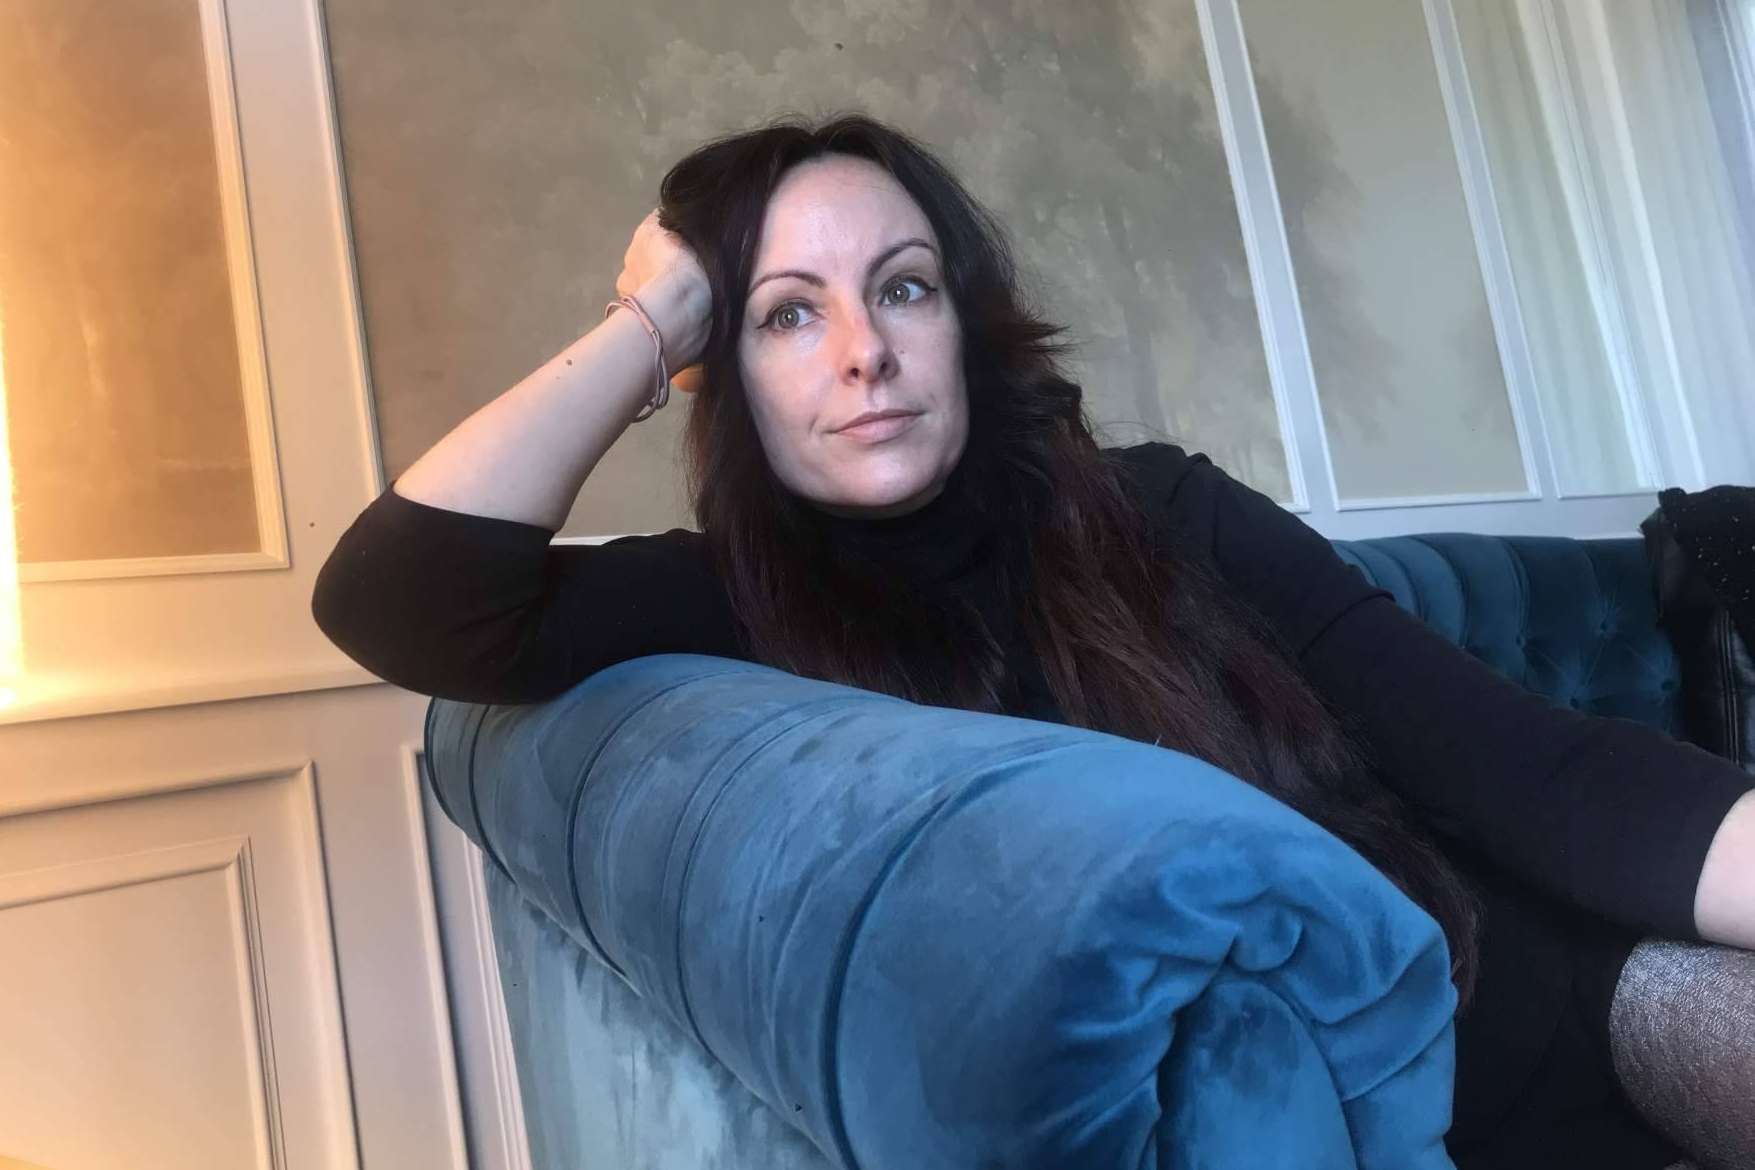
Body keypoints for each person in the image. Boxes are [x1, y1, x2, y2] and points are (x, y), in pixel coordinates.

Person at [312, 112, 1753, 1169]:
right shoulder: (729, 603)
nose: (863, 349)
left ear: (964, 324)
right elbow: (399, 595)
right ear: (722, 375)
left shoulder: (1162, 506)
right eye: (785, 314)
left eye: (903, 286)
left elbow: (1539, 774)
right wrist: (661, 305)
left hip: (1551, 989)